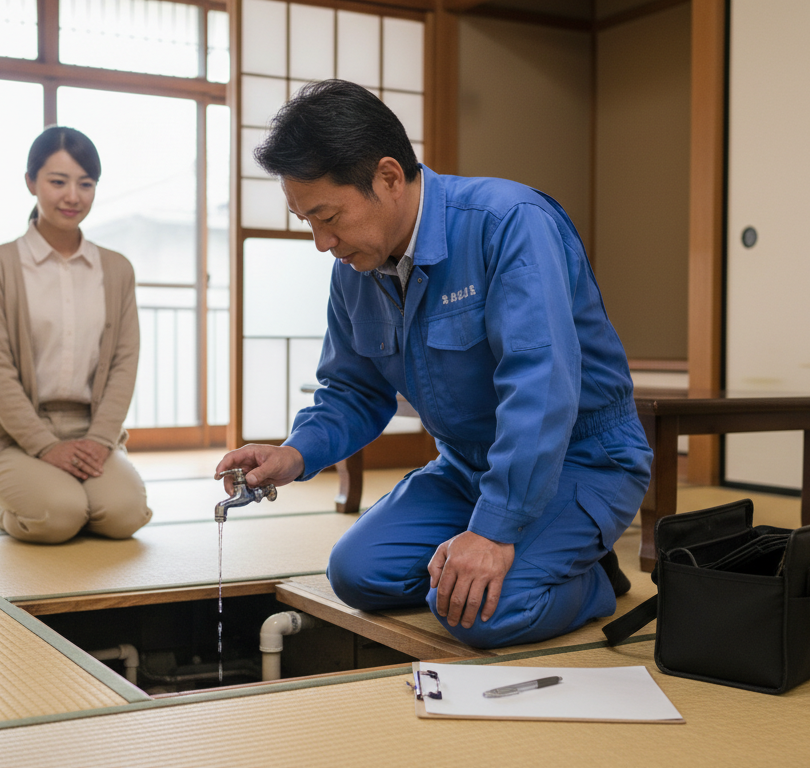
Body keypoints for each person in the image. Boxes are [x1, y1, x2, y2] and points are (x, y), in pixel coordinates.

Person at [217, 81, 652, 649]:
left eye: (328, 217)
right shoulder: (355, 271)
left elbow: (540, 388)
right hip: (467, 468)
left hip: (580, 460)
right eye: (308, 223)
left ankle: (592, 579)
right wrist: (293, 454)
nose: (323, 243)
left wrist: (494, 533)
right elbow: (352, 390)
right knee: (355, 573)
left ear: (389, 178)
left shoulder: (509, 223)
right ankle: (517, 554)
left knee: (479, 615)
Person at [0, 126, 152, 544]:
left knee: (125, 516)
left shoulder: (117, 269)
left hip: (92, 433)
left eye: (85, 184)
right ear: (31, 182)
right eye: (58, 182)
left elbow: (126, 361)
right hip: (13, 437)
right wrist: (45, 446)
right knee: (60, 516)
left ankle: (66, 491)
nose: (73, 196)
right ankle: (14, 507)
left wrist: (101, 439)